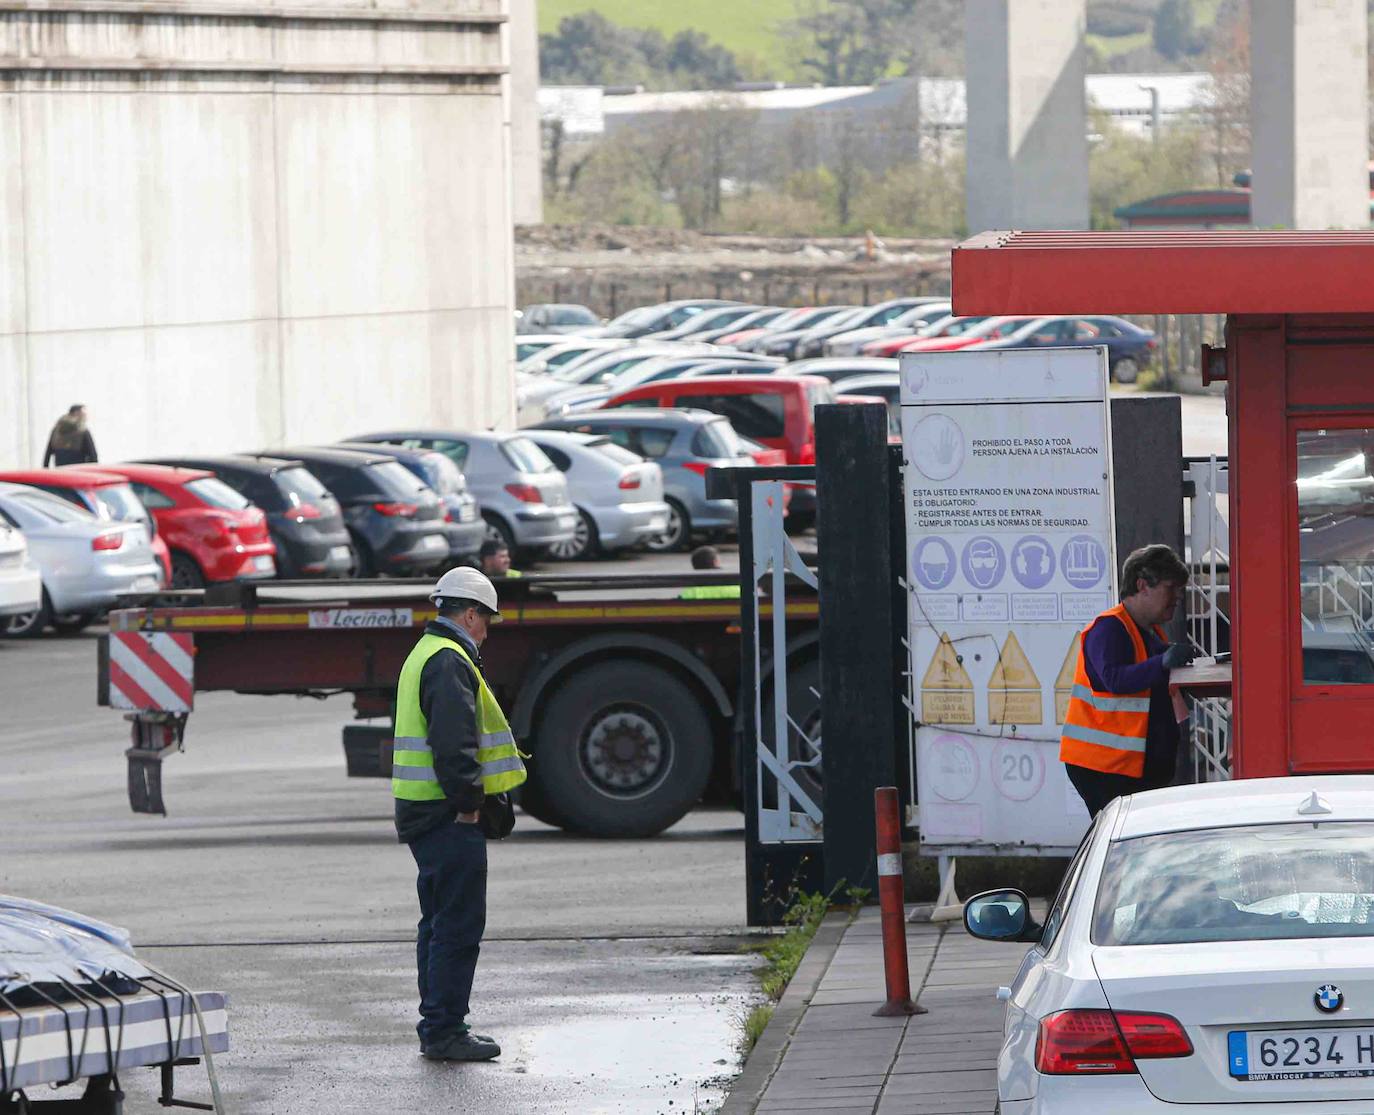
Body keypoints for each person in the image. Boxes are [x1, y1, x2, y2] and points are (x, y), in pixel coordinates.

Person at [393, 567, 526, 1062]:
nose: (487, 630)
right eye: (486, 620)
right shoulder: (449, 660)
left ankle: (438, 1025)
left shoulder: (424, 653)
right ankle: (446, 1030)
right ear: (469, 614)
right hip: (448, 816)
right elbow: (454, 745)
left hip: (424, 812)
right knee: (457, 925)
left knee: (438, 922)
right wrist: (470, 806)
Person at [1060, 544, 1193, 818]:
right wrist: (1163, 662)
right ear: (1143, 585)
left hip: (1125, 767)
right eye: (1171, 587)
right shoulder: (1108, 628)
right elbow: (1114, 679)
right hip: (1106, 768)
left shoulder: (1147, 632)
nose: (1178, 597)